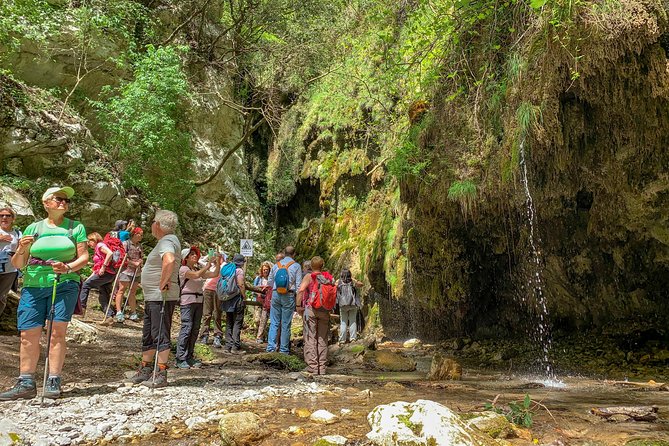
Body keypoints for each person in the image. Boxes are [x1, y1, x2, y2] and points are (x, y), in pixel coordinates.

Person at [0, 186, 88, 400]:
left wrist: (67, 267)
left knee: (57, 332)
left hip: (64, 283)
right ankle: (26, 382)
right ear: (46, 203)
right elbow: (18, 263)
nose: (63, 203)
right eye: (58, 199)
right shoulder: (33, 228)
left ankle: (53, 379)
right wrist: (21, 248)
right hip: (33, 284)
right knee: (28, 334)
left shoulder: (75, 228)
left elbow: (84, 257)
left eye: (66, 200)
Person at [128, 210, 181, 388]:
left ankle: (161, 372)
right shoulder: (166, 241)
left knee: (160, 333)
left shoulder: (167, 241)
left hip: (161, 296)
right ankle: (146, 369)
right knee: (149, 333)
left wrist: (163, 282)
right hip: (154, 297)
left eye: (152, 222)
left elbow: (169, 259)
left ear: (157, 224)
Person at [176, 246, 218, 368]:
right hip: (187, 302)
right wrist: (208, 265)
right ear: (186, 257)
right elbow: (195, 275)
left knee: (195, 330)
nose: (195, 256)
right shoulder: (183, 269)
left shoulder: (197, 269)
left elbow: (214, 274)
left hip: (199, 301)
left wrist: (217, 263)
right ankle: (180, 357)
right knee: (186, 328)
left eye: (196, 254)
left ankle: (189, 356)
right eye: (192, 254)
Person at [298, 256, 334, 375]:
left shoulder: (309, 276)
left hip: (311, 309)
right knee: (322, 338)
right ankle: (322, 367)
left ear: (311, 266)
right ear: (322, 265)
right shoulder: (327, 277)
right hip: (325, 310)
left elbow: (301, 290)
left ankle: (313, 367)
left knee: (310, 337)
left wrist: (298, 306)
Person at [266, 246, 302, 354]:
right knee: (286, 323)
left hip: (276, 293)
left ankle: (271, 348)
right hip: (289, 294)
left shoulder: (276, 265)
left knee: (274, 322)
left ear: (284, 253)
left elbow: (269, 283)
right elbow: (299, 285)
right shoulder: (296, 266)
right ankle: (284, 350)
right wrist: (298, 301)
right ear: (294, 254)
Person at [79, 232, 117, 318]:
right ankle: (109, 316)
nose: (88, 244)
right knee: (103, 294)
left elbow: (110, 253)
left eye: (89, 241)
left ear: (94, 239)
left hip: (105, 273)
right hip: (109, 274)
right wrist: (89, 278)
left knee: (85, 286)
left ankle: (82, 310)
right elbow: (96, 268)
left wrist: (103, 267)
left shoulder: (100, 245)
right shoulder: (99, 247)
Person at [114, 227, 143, 322]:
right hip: (126, 270)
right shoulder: (126, 243)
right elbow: (122, 257)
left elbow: (141, 257)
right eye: (140, 234)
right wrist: (133, 263)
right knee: (121, 290)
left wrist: (140, 263)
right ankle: (118, 312)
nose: (141, 236)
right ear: (135, 234)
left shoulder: (139, 246)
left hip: (136, 271)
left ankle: (133, 312)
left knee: (132, 292)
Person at [199, 252, 226, 348]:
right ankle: (204, 335)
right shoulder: (210, 266)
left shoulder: (224, 265)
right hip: (207, 290)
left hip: (218, 291)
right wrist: (209, 257)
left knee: (217, 313)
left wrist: (219, 258)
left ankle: (217, 336)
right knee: (207, 314)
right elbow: (200, 261)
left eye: (218, 256)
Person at [0, 207, 21, 317]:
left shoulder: (17, 233)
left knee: (1, 297)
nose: (4, 217)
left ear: (13, 219)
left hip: (10, 269)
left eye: (8, 215)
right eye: (1, 215)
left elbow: (22, 249)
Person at [336, 268, 363, 344]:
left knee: (343, 322)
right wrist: (353, 279)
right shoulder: (352, 281)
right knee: (352, 321)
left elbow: (333, 287)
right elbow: (361, 284)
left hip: (343, 304)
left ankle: (342, 340)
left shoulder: (339, 282)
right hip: (352, 304)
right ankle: (353, 338)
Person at [253, 261, 272, 343]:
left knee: (264, 319)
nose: (265, 271)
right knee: (257, 320)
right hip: (258, 301)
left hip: (267, 302)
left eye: (267, 269)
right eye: (264, 269)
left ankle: (260, 337)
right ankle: (262, 334)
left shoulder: (271, 279)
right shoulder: (258, 279)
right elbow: (253, 289)